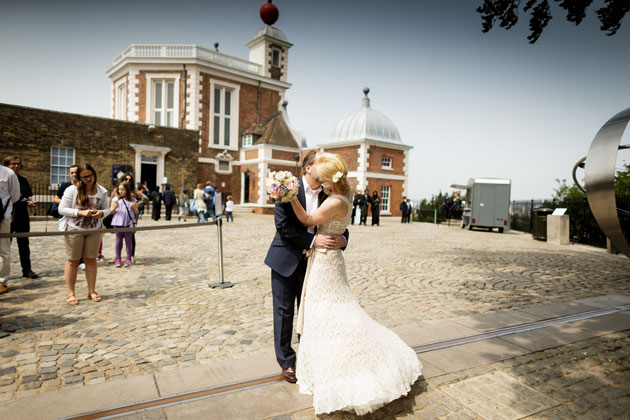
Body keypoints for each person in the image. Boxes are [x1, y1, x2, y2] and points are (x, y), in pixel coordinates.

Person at [288, 153, 421, 415]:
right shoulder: (346, 194)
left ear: (329, 179)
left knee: (327, 311)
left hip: (326, 262)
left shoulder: (335, 200)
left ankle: (340, 367)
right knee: (335, 307)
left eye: (323, 179)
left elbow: (306, 220)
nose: (320, 183)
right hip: (330, 259)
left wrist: (289, 195)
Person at [264, 150, 349, 385]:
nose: (325, 167)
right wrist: (312, 241)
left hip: (316, 266)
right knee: (283, 313)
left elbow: (339, 223)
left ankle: (308, 359)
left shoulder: (330, 192)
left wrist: (344, 240)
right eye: (321, 162)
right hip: (284, 259)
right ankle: (287, 362)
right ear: (309, 168)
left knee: (310, 314)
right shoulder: (286, 187)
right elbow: (283, 226)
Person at [58, 163, 110, 305]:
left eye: (90, 175)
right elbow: (62, 209)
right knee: (73, 260)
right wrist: (80, 212)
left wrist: (101, 213)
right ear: (79, 177)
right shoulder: (71, 190)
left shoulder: (102, 191)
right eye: (85, 177)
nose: (89, 179)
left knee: (91, 260)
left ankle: (92, 290)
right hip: (75, 229)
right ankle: (71, 293)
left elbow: (107, 209)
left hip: (94, 229)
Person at [4, 156, 38, 279]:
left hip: (21, 216)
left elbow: (26, 196)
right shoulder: (3, 180)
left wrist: (29, 202)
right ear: (7, 165)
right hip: (7, 216)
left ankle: (27, 270)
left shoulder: (23, 180)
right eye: (13, 164)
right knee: (4, 246)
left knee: (24, 244)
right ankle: (3, 274)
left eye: (18, 164)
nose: (16, 166)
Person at [0, 165, 20, 295]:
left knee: (3, 249)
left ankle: (1, 281)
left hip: (2, 216)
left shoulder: (8, 173)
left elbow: (15, 196)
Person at [110, 181, 137, 267]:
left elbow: (136, 211)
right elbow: (111, 211)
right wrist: (115, 207)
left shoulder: (132, 200)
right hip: (118, 223)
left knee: (128, 241)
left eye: (123, 189)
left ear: (127, 190)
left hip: (128, 223)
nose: (121, 191)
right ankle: (118, 259)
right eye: (119, 189)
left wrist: (133, 207)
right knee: (118, 241)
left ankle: (128, 259)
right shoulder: (115, 199)